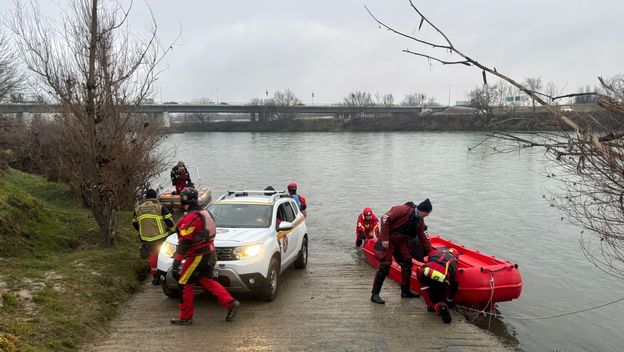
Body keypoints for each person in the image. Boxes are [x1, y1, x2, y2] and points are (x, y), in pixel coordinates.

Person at [170, 187, 240, 325]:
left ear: (184, 200)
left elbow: (185, 242)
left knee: (185, 284)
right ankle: (230, 302)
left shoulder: (191, 217)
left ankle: (185, 316)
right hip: (209, 253)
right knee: (206, 280)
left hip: (196, 256)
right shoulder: (205, 212)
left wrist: (176, 262)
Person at [370, 198, 433, 304]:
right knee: (385, 266)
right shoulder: (403, 210)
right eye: (427, 213)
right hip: (389, 239)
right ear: (422, 210)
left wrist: (431, 254)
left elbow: (424, 239)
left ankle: (405, 291)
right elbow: (385, 218)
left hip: (400, 241)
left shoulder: (420, 222)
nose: (427, 215)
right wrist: (384, 238)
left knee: (407, 263)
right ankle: (375, 294)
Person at [133, 189, 174, 285]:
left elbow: (134, 223)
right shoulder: (160, 207)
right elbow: (170, 221)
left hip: (146, 238)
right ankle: (163, 276)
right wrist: (172, 231)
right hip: (160, 237)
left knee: (152, 257)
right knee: (163, 256)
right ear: (155, 196)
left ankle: (155, 277)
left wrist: (142, 231)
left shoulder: (138, 208)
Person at [417, 247, 460, 324]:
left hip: (427, 272)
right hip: (441, 279)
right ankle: (441, 306)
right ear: (456, 257)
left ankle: (432, 305)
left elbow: (427, 258)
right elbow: (454, 284)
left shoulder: (436, 252)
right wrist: (450, 299)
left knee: (423, 280)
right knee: (438, 296)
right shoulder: (455, 264)